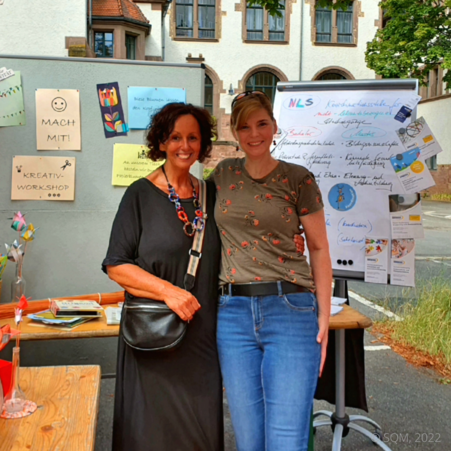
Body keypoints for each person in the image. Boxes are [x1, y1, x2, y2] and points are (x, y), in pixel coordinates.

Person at [211, 91, 332, 451]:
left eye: (261, 123)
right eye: (244, 126)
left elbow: (320, 248)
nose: (254, 133)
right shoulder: (222, 174)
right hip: (232, 315)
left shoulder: (298, 178)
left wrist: (324, 316)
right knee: (248, 439)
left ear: (275, 127)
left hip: (290, 310)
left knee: (286, 439)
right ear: (234, 131)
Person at [102, 103, 224, 451]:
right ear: (161, 142)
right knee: (150, 434)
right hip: (152, 336)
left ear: (202, 144)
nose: (184, 146)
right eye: (175, 137)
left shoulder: (211, 195)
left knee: (199, 433)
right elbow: (116, 265)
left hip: (202, 339)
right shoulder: (139, 195)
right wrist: (168, 292)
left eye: (192, 138)